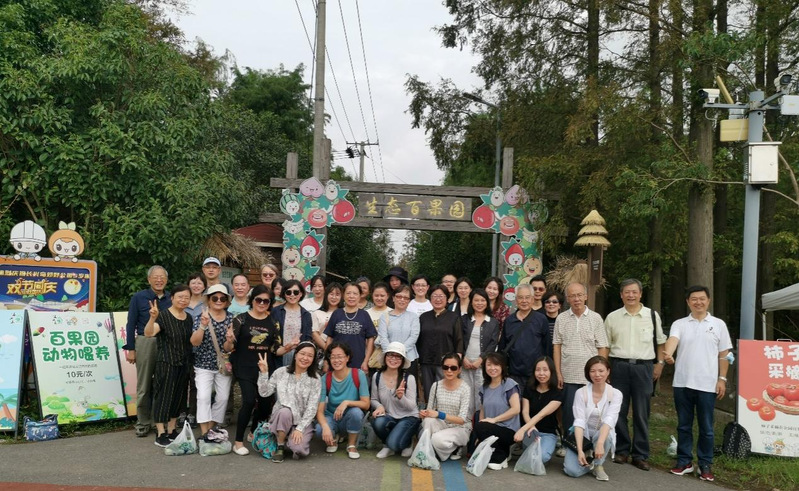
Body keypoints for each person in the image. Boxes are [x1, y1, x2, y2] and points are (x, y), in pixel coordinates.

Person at [663, 285, 731, 482]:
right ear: (688, 302)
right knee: (683, 425)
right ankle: (684, 461)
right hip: (682, 383)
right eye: (694, 299)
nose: (698, 302)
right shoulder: (680, 323)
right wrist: (668, 353)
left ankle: (705, 464)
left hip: (707, 385)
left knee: (706, 428)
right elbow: (673, 340)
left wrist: (722, 379)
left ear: (708, 301)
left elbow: (725, 354)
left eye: (702, 299)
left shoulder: (718, 324)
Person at [604, 278, 667, 471]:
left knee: (641, 412)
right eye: (627, 292)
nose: (630, 295)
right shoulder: (612, 317)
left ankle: (640, 454)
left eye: (634, 292)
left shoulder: (652, 315)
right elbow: (606, 346)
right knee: (618, 410)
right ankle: (622, 450)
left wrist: (660, 364)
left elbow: (660, 342)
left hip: (644, 367)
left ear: (640, 294)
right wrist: (605, 369)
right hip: (619, 366)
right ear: (621, 295)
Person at [223, 285, 286, 455]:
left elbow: (275, 349)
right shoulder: (241, 319)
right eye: (259, 300)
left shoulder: (273, 322)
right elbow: (228, 348)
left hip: (264, 369)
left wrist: (288, 348)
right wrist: (229, 340)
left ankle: (253, 432)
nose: (262, 303)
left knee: (265, 405)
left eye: (266, 301)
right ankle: (238, 442)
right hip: (244, 367)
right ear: (252, 300)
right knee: (249, 401)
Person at [553, 282, 609, 433]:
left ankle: (588, 442)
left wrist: (602, 373)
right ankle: (569, 442)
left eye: (579, 295)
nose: (576, 299)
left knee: (591, 413)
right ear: (567, 298)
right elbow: (557, 346)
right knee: (569, 412)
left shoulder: (596, 318)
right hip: (568, 375)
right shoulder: (561, 318)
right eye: (572, 296)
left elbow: (602, 346)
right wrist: (558, 372)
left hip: (590, 376)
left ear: (586, 296)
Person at [124, 265, 172, 438]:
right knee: (144, 385)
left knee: (163, 384)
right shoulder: (139, 297)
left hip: (166, 343)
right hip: (145, 342)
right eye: (155, 277)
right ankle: (143, 422)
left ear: (166, 280)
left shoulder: (171, 298)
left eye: (162, 277)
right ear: (149, 279)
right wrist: (131, 349)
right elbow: (131, 324)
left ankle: (159, 420)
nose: (159, 280)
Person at [144, 284, 193, 447]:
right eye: (180, 297)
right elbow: (149, 333)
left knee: (178, 398)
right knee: (163, 397)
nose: (183, 300)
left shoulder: (188, 318)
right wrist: (152, 318)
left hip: (183, 363)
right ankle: (160, 433)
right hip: (166, 363)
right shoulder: (163, 316)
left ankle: (172, 430)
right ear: (172, 298)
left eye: (186, 297)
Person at [258, 341, 322, 462]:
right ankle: (280, 445)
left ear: (313, 359)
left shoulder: (315, 378)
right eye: (302, 354)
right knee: (285, 411)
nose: (305, 358)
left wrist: (300, 429)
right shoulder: (281, 372)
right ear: (295, 355)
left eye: (310, 355)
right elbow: (264, 393)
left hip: (302, 421)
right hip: (282, 417)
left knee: (299, 449)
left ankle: (289, 437)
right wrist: (264, 373)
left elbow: (312, 407)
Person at [563, 356, 622, 482]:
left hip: (601, 434)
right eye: (593, 371)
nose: (597, 375)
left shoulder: (616, 394)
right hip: (582, 434)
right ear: (588, 373)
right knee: (571, 471)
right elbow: (579, 421)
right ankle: (590, 462)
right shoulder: (581, 392)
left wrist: (600, 444)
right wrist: (580, 450)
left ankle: (598, 464)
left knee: (606, 435)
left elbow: (610, 420)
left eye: (601, 371)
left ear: (608, 371)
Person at [190, 284, 234, 440]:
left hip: (223, 365)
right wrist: (203, 325)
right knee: (203, 397)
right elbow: (195, 342)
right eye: (215, 298)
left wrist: (229, 340)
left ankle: (211, 429)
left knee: (223, 398)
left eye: (222, 298)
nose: (219, 301)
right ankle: (204, 433)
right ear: (208, 300)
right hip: (203, 364)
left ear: (227, 301)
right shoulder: (201, 317)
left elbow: (228, 348)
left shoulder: (231, 318)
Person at [316, 342, 370, 459]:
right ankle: (333, 440)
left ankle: (351, 444)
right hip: (332, 416)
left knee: (356, 413)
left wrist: (346, 402)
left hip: (349, 416)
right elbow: (320, 410)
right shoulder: (325, 378)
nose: (336, 360)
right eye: (333, 357)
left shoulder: (358, 374)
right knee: (320, 430)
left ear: (347, 358)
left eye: (340, 356)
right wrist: (325, 427)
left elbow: (366, 404)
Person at [371, 342, 420, 458]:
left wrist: (401, 397)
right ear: (385, 357)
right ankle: (387, 445)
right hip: (389, 416)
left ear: (402, 360)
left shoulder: (409, 378)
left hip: (408, 417)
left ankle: (407, 442)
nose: (393, 359)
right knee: (378, 422)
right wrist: (379, 406)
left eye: (398, 356)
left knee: (395, 444)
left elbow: (412, 406)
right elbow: (373, 399)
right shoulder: (377, 376)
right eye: (390, 355)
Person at [419, 352, 472, 461]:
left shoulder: (465, 388)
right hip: (441, 424)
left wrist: (439, 414)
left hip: (460, 427)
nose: (449, 371)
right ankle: (428, 451)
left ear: (459, 369)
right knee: (428, 421)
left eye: (453, 368)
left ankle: (455, 447)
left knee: (436, 440)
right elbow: (430, 411)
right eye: (445, 367)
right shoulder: (436, 385)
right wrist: (424, 414)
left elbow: (462, 420)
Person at [473, 352, 521, 470]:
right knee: (474, 444)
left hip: (508, 429)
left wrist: (494, 420)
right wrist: (480, 433)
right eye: (489, 365)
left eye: (496, 364)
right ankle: (504, 451)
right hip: (490, 427)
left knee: (482, 428)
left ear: (502, 366)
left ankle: (500, 458)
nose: (492, 368)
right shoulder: (484, 387)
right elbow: (482, 410)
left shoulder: (509, 384)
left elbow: (516, 409)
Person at [417, 285, 464, 402]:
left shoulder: (453, 317)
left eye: (441, 296)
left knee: (445, 392)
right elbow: (418, 339)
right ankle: (429, 411)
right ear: (430, 298)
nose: (438, 299)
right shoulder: (423, 317)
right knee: (428, 392)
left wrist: (457, 359)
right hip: (426, 360)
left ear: (447, 298)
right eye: (435, 296)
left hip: (446, 362)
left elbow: (459, 339)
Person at [499, 283, 550, 389]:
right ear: (516, 300)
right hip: (513, 374)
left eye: (527, 297)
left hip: (536, 374)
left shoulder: (541, 319)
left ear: (532, 299)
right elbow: (502, 347)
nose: (524, 301)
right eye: (520, 297)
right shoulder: (509, 321)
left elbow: (547, 347)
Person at [514, 356, 563, 465]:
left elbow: (541, 415)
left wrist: (522, 429)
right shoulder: (529, 388)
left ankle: (548, 446)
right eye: (538, 370)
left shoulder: (557, 393)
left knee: (542, 457)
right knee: (531, 456)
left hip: (548, 433)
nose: (541, 373)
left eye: (545, 370)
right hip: (530, 431)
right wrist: (531, 427)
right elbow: (525, 412)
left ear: (551, 372)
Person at [461, 288, 500, 414]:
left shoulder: (493, 322)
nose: (479, 303)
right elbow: (458, 339)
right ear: (471, 302)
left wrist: (481, 359)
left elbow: (493, 344)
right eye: (476, 300)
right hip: (465, 362)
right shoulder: (464, 319)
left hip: (482, 363)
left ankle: (479, 420)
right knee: (466, 393)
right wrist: (463, 358)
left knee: (480, 393)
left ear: (487, 302)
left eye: (483, 300)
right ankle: (466, 421)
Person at [324, 282, 377, 372]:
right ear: (343, 295)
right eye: (348, 293)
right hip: (336, 362)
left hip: (357, 362)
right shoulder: (336, 314)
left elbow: (370, 339)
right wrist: (326, 361)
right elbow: (329, 338)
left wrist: (366, 361)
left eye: (355, 293)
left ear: (360, 296)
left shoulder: (364, 315)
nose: (351, 296)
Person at [377, 285, 420, 375]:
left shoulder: (413, 317)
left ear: (409, 301)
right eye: (399, 296)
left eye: (406, 298)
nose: (402, 300)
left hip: (409, 358)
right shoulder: (384, 317)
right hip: (390, 359)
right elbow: (383, 337)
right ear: (393, 298)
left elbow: (413, 337)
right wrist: (392, 355)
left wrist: (400, 353)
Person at [271, 279, 313, 367]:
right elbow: (271, 335)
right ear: (284, 294)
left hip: (299, 356)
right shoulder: (275, 311)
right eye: (288, 292)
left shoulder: (306, 314)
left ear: (301, 294)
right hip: (279, 354)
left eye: (296, 292)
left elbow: (308, 338)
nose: (292, 295)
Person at [366, 282, 391, 374]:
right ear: (372, 296)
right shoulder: (366, 313)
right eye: (376, 295)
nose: (379, 298)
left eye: (382, 296)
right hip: (369, 355)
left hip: (387, 355)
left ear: (387, 296)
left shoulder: (392, 313)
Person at [311, 282, 343, 351]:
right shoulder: (317, 313)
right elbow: (314, 333)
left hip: (341, 349)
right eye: (331, 294)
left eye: (337, 294)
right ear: (326, 295)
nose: (334, 297)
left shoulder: (345, 314)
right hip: (321, 349)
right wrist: (327, 349)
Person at [541, 290, 563, 357]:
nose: (551, 304)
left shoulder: (563, 321)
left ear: (559, 305)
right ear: (544, 306)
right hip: (543, 356)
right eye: (547, 302)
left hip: (561, 355)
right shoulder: (539, 321)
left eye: (554, 302)